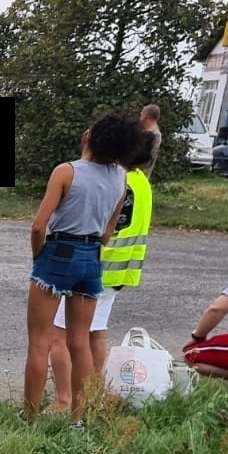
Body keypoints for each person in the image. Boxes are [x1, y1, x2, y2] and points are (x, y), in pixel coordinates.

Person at [22, 113, 143, 422]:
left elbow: (39, 227)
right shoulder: (121, 178)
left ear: (90, 137)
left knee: (40, 342)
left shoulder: (66, 172)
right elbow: (107, 233)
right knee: (81, 342)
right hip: (91, 257)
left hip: (58, 251)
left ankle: (30, 417)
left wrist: (41, 259)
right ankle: (79, 419)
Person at [47, 128, 157, 406]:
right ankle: (93, 395)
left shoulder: (118, 181)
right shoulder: (141, 181)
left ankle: (65, 401)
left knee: (59, 335)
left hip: (94, 265)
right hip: (118, 270)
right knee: (95, 332)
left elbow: (102, 223)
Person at [140, 104, 162, 175]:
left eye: (141, 115)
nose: (139, 117)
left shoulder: (155, 135)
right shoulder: (145, 131)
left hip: (140, 176)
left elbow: (146, 159)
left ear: (145, 116)